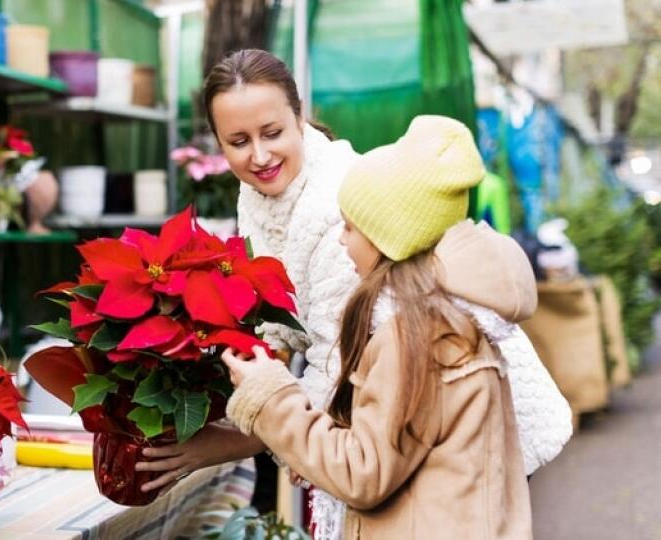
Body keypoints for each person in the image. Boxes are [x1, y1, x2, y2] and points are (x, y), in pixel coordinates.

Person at [137, 49, 570, 531]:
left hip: (431, 429)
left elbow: (338, 374)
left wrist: (239, 433)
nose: (259, 155)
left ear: (299, 116)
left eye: (273, 133)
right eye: (238, 141)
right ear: (218, 142)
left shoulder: (344, 221)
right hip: (399, 425)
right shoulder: (261, 191)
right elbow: (278, 312)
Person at [223, 115, 533, 539]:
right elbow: (396, 447)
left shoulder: (413, 340)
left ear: (388, 238)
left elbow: (363, 472)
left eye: (350, 227)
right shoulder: (449, 319)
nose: (341, 240)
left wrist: (271, 395)